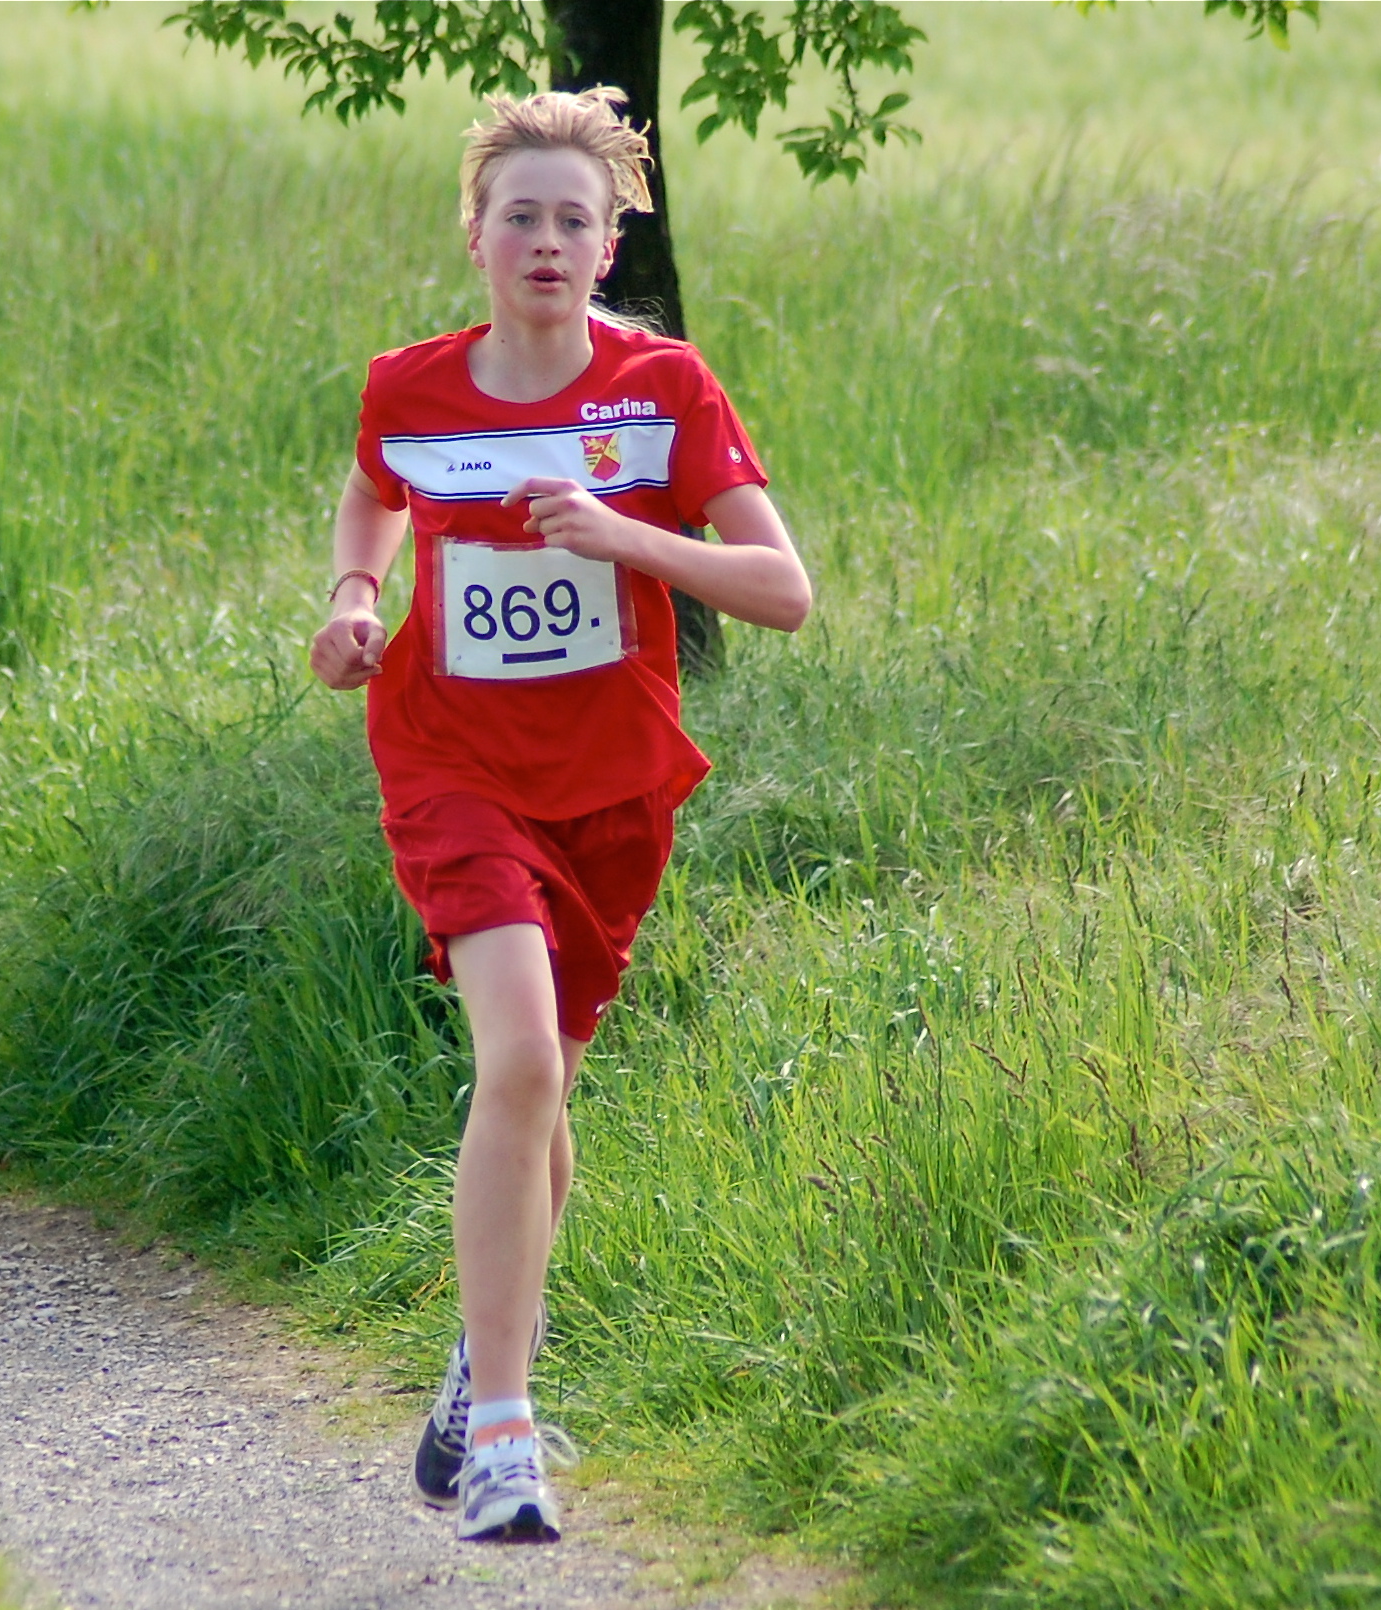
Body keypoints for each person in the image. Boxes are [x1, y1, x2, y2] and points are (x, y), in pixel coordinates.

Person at [308, 87, 812, 1544]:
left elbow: (784, 592)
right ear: (474, 235)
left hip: (611, 785)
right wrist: (352, 598)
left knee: (542, 1093)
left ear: (607, 249)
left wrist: (624, 535)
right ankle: (507, 1441)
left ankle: (484, 1362)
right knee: (518, 1058)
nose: (543, 239)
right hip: (451, 763)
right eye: (517, 214)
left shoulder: (663, 392)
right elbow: (374, 495)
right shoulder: (410, 387)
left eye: (571, 221)